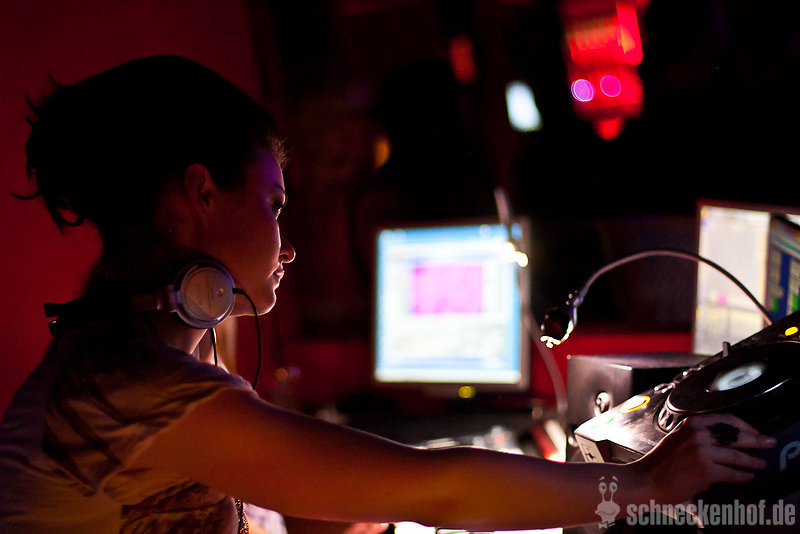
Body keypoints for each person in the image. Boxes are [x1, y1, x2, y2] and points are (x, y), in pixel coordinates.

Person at [0, 55, 776, 533]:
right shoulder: (130, 388)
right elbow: (439, 489)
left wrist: (351, 505)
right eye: (273, 204)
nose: (287, 243)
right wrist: (645, 481)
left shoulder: (135, 356)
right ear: (200, 194)